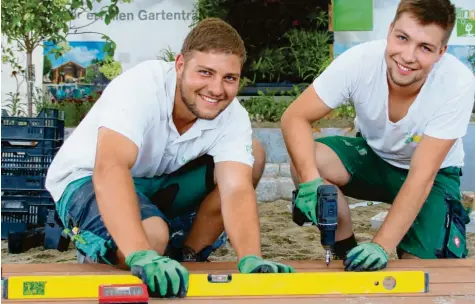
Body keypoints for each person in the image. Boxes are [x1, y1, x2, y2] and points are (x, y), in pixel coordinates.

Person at [45, 17, 294, 298]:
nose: (216, 89)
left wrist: (251, 257)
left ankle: (187, 256)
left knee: (254, 155)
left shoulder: (232, 115)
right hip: (87, 178)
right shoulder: (142, 86)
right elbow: (110, 169)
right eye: (205, 73)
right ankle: (108, 248)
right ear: (180, 65)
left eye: (229, 78)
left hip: (154, 181)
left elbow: (236, 189)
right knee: (151, 238)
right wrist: (141, 254)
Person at [281, 0, 474, 272]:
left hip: (433, 176)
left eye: (425, 48)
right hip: (374, 158)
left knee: (424, 272)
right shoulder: (359, 61)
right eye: (402, 38)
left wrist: (380, 244)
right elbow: (294, 117)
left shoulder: (457, 82)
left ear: (441, 52)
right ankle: (344, 247)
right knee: (306, 159)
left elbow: (422, 177)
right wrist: (311, 183)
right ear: (390, 30)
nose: (408, 56)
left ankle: (429, 227)